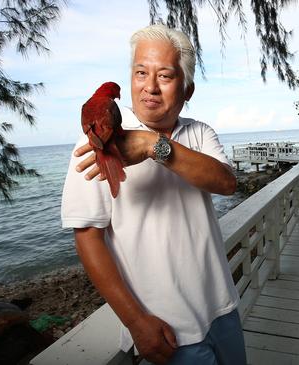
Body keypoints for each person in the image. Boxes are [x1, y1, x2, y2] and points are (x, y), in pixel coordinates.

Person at [61, 24, 246, 365]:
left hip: (223, 307)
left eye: (165, 76)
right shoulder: (98, 142)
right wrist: (135, 322)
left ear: (187, 89)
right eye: (140, 72)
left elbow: (226, 183)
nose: (150, 87)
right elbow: (88, 238)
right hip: (167, 330)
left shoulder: (199, 132)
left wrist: (151, 145)